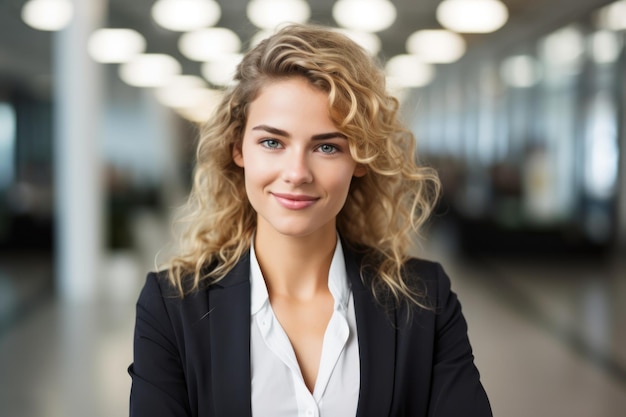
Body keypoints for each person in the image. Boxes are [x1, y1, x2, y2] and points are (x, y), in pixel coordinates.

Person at [128, 23, 492, 417]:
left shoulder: (424, 300)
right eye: (272, 142)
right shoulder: (172, 307)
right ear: (238, 150)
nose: (297, 172)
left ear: (361, 160)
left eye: (326, 146)